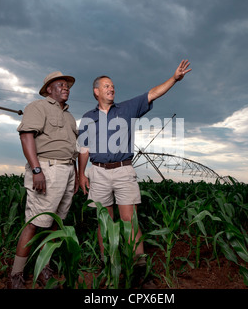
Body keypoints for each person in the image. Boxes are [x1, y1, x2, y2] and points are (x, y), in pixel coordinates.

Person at [78, 60, 191, 282]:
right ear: (96, 91)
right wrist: (81, 174)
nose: (112, 88)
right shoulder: (88, 118)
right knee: (104, 221)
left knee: (130, 220)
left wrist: (174, 79)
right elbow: (84, 149)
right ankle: (107, 263)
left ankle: (139, 268)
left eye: (113, 86)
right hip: (98, 172)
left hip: (123, 171)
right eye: (107, 85)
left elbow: (152, 94)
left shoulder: (127, 108)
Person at [10, 71, 79, 289]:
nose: (66, 87)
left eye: (67, 85)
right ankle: (16, 276)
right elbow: (26, 136)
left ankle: (43, 269)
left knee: (54, 225)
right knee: (34, 223)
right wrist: (36, 169)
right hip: (46, 169)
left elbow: (72, 149)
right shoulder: (38, 107)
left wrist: (75, 174)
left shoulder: (69, 116)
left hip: (67, 170)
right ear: (49, 89)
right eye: (60, 84)